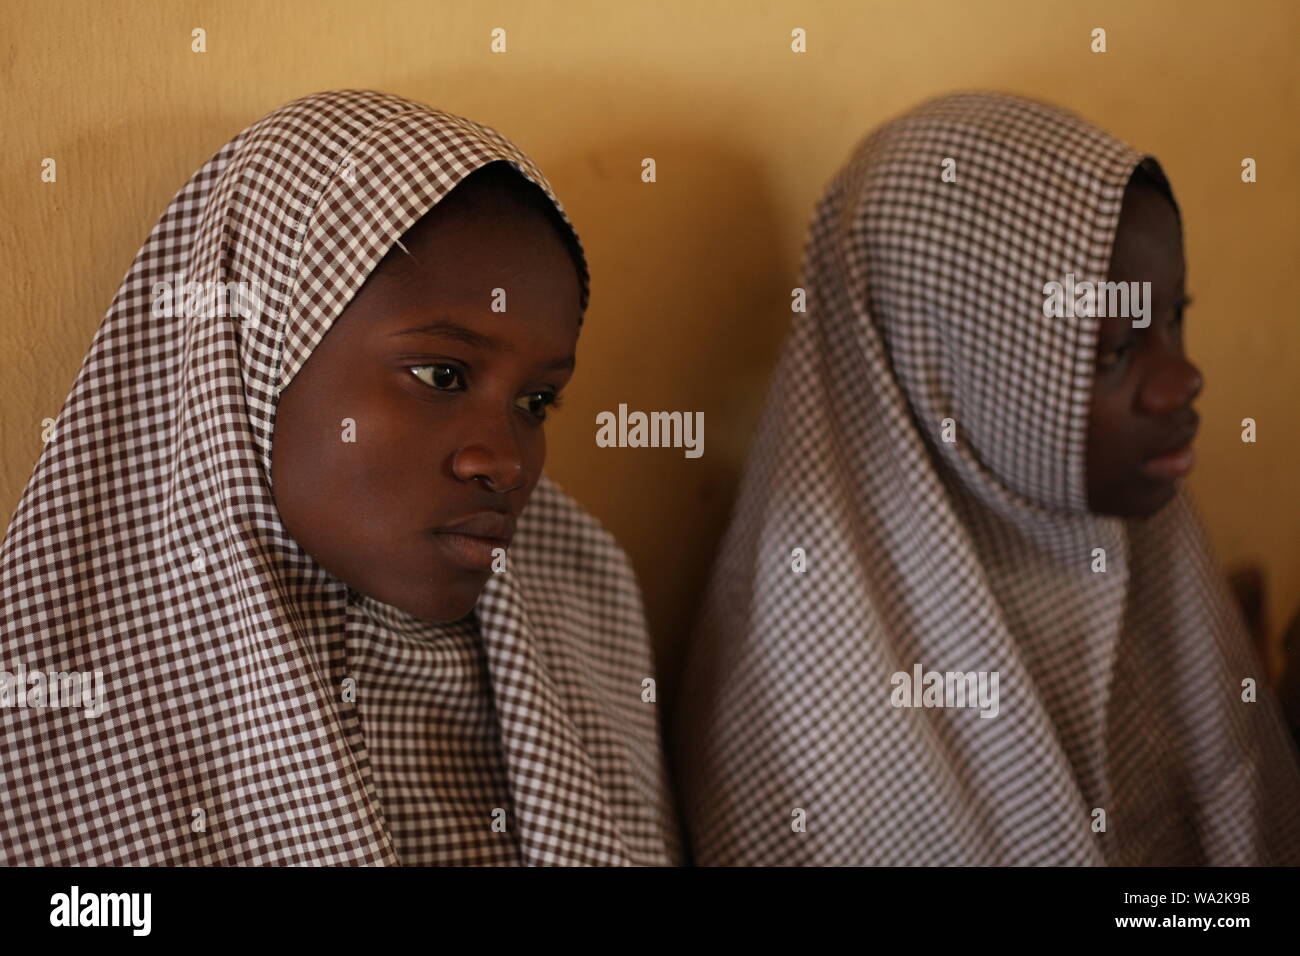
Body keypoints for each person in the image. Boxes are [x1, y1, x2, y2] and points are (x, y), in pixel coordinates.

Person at [0, 90, 679, 866]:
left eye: (536, 402)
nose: (505, 461)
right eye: (441, 374)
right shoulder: (56, 710)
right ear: (254, 356)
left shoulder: (580, 612)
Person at [673, 91, 1300, 866]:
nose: (1184, 379)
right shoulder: (815, 718)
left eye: (1176, 319)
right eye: (1111, 353)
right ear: (952, 375)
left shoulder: (1140, 532)